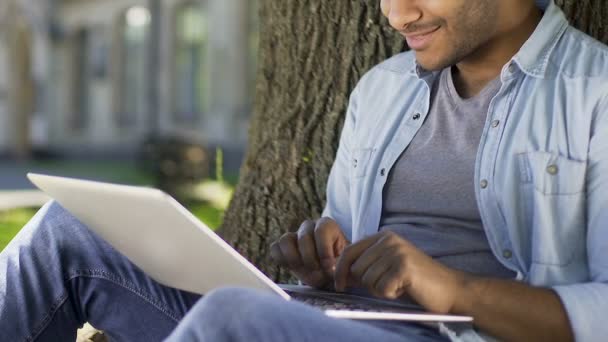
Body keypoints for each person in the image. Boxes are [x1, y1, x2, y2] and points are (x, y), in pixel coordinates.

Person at [1, 0, 607, 340]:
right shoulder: (384, 89)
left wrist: (454, 291)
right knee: (67, 231)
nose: (396, 14)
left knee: (232, 320)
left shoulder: (596, 94)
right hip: (336, 327)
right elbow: (349, 239)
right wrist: (327, 257)